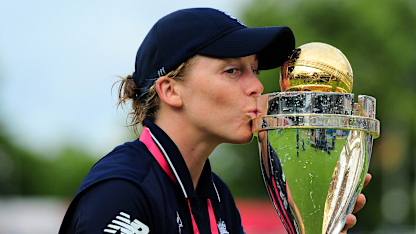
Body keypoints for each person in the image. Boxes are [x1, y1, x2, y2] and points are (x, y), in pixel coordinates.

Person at [58, 7, 369, 234]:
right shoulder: (121, 192)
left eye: (255, 70)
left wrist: (312, 222)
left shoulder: (216, 195)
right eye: (232, 71)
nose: (257, 87)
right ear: (170, 90)